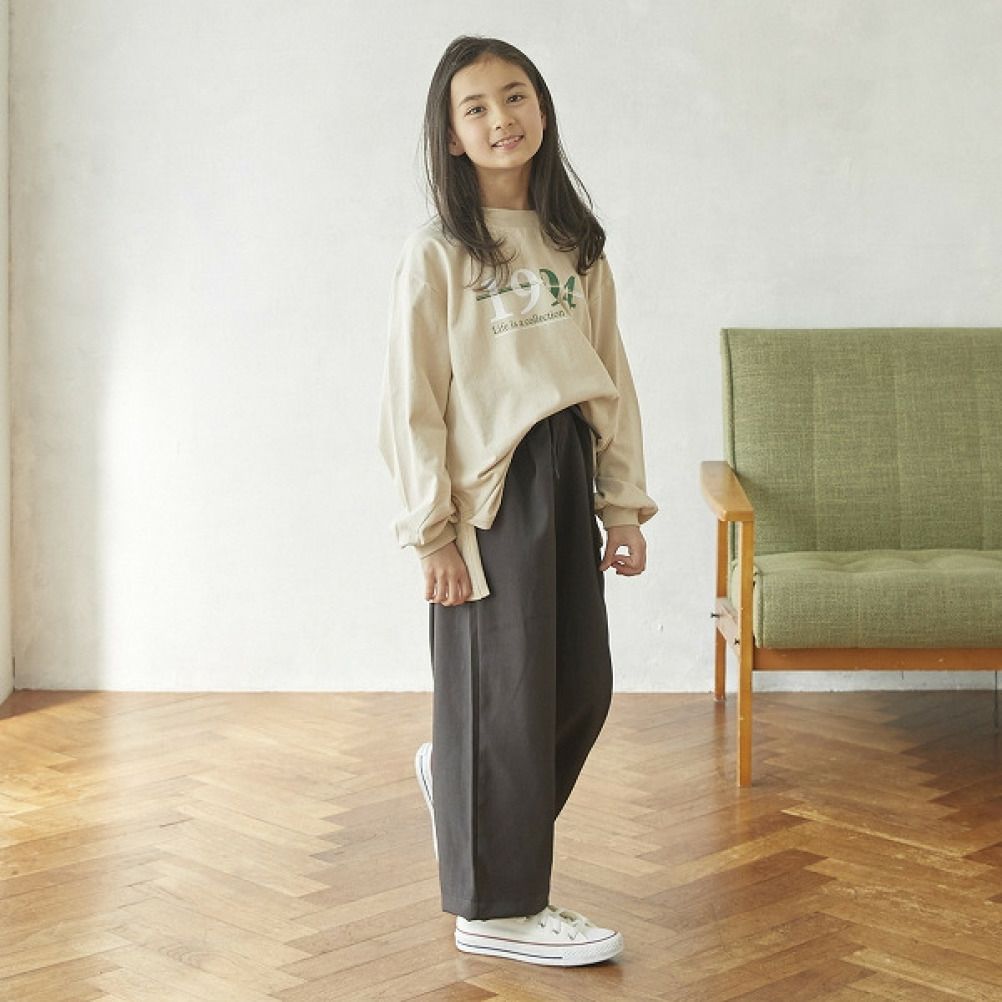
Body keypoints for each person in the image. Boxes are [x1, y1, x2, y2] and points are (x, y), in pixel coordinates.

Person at [377, 34, 658, 968]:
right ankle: (496, 910)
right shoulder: (438, 253)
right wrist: (432, 532)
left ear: (541, 108)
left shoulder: (577, 245)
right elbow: (411, 403)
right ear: (452, 136)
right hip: (489, 496)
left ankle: (461, 788)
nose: (501, 118)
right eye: (476, 107)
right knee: (502, 702)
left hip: (567, 471)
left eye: (516, 95)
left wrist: (622, 503)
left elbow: (611, 376)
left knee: (579, 690)